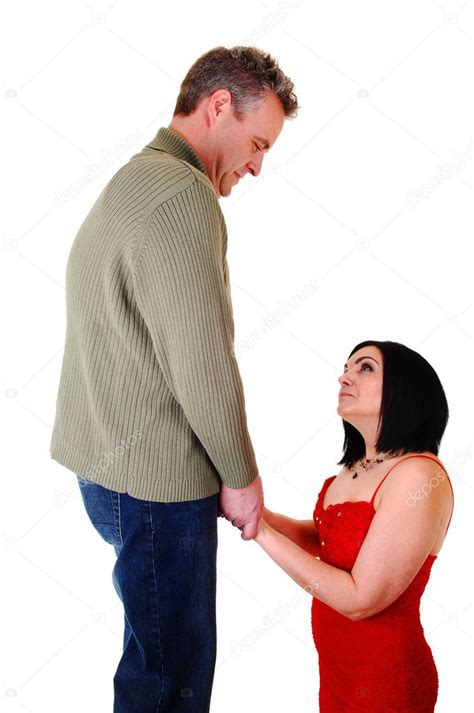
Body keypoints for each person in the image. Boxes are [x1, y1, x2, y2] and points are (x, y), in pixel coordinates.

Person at [49, 46, 298, 712]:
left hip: (110, 470)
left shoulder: (136, 178)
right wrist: (242, 478)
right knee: (171, 677)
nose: (255, 165)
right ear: (218, 106)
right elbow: (202, 363)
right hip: (158, 486)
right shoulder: (183, 196)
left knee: (152, 657)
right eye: (256, 142)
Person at [255, 340, 454, 712]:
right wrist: (255, 513)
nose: (344, 377)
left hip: (385, 682)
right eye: (347, 368)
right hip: (338, 674)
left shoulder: (418, 476)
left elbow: (359, 601)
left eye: (365, 368)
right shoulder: (357, 467)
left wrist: (260, 533)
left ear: (406, 389)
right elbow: (324, 541)